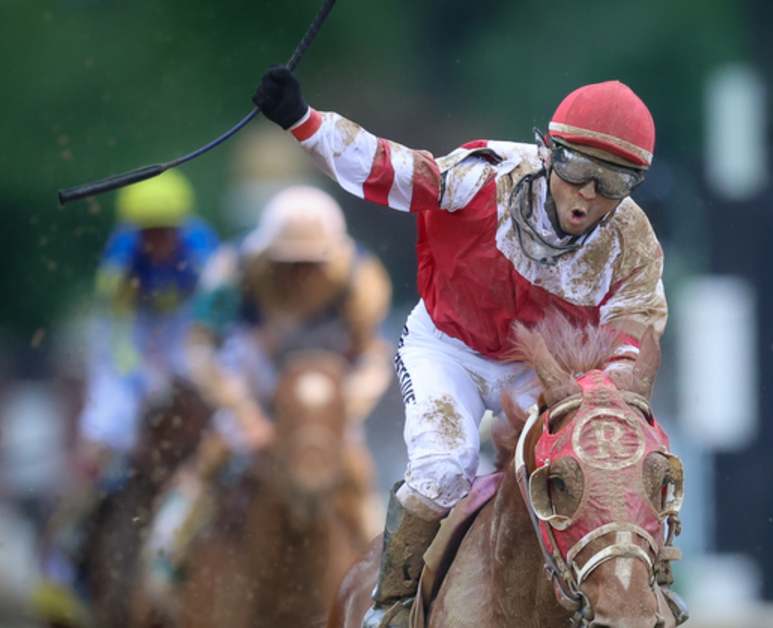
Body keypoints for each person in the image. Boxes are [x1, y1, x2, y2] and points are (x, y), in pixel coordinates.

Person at [251, 65, 677, 627]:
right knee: (442, 467)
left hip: (544, 369)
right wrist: (303, 121)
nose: (586, 197)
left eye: (611, 185)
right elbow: (390, 169)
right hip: (447, 349)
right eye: (575, 171)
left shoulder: (633, 243)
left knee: (614, 454)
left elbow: (634, 343)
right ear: (549, 152)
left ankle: (650, 586)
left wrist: (600, 406)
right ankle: (392, 606)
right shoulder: (484, 179)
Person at [142, 185, 393, 593]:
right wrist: (242, 411)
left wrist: (344, 408)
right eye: (288, 263)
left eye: (311, 264)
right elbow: (200, 347)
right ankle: (169, 549)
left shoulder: (361, 277)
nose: (299, 275)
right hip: (254, 370)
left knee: (356, 469)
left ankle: (384, 567)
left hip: (324, 378)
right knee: (217, 453)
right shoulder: (231, 270)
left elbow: (374, 357)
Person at [40, 171, 218, 611]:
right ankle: (61, 559)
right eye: (149, 232)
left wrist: (199, 368)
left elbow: (213, 316)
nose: (158, 239)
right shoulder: (122, 254)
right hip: (131, 340)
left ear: (181, 225)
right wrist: (136, 377)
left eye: (166, 230)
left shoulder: (203, 247)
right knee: (107, 430)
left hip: (183, 333)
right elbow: (116, 329)